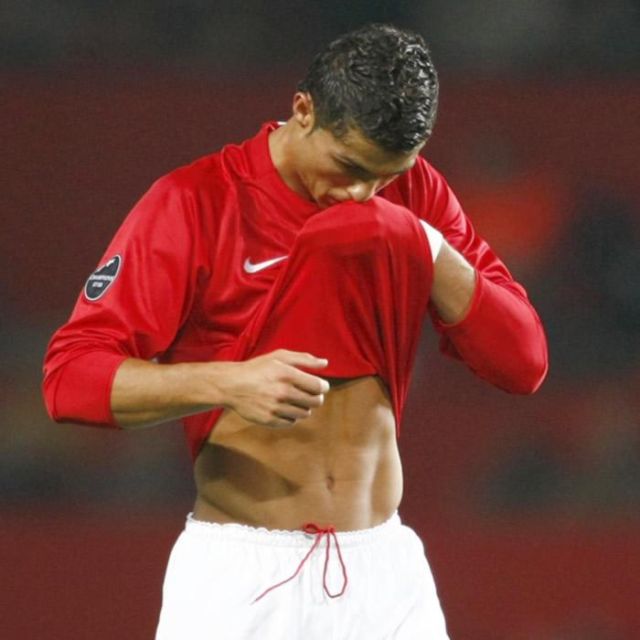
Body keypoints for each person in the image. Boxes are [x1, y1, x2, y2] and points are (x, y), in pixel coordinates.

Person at [43, 23, 548, 639]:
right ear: (303, 110)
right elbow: (69, 379)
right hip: (242, 578)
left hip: (385, 577)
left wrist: (426, 242)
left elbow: (523, 360)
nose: (359, 192)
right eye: (348, 166)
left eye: (384, 175)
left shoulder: (414, 194)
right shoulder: (197, 202)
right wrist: (229, 382)